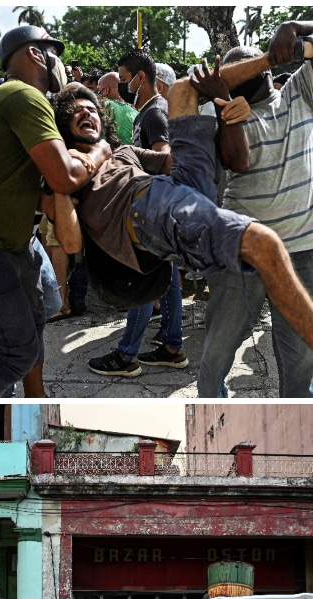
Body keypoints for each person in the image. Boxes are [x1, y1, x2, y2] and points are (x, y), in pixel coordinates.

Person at [48, 75, 313, 399]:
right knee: (266, 244)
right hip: (147, 209)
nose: (86, 112)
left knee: (181, 91)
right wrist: (67, 179)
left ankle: (270, 58)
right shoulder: (68, 174)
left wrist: (226, 117)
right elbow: (72, 242)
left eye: (91, 107)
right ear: (64, 128)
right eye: (76, 112)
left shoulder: (123, 153)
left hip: (177, 188)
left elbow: (171, 161)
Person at [0, 25, 102, 398]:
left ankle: (36, 397)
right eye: (52, 52)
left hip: (11, 240)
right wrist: (99, 153)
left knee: (39, 317)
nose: (58, 62)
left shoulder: (18, 97)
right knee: (15, 351)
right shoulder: (23, 96)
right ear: (35, 54)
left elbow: (42, 194)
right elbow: (63, 176)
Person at [199, 20, 313, 398]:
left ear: (267, 65)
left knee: (301, 365)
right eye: (233, 70)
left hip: (299, 251)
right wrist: (226, 106)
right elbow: (237, 162)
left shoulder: (299, 91)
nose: (242, 72)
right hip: (242, 252)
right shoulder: (226, 114)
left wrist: (290, 27)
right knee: (214, 359)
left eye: (249, 64)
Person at [90, 48, 186, 378]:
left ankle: (127, 355)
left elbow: (166, 158)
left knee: (141, 279)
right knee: (166, 278)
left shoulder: (155, 113)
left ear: (140, 77)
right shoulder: (146, 111)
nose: (121, 84)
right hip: (158, 208)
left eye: (122, 77)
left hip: (152, 210)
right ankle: (172, 347)